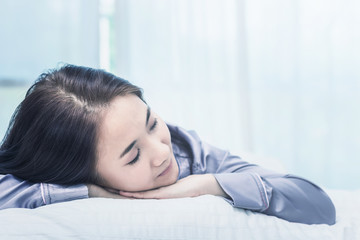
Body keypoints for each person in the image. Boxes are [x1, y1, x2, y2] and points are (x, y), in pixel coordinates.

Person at [0, 64, 336, 225]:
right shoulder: (68, 179)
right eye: (133, 156)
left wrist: (207, 184)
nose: (162, 152)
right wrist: (92, 192)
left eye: (152, 123)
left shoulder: (186, 150)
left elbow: (319, 204)